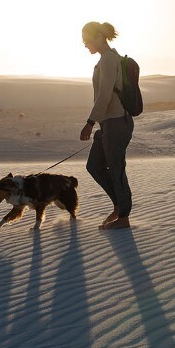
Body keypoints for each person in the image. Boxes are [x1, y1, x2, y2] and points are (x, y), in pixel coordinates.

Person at [79, 21, 134, 230]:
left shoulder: (109, 60)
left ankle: (124, 217)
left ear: (99, 38)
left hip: (117, 122)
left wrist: (89, 123)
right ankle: (119, 206)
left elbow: (104, 95)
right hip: (108, 123)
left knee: (116, 168)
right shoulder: (106, 59)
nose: (85, 45)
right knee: (94, 165)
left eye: (87, 40)